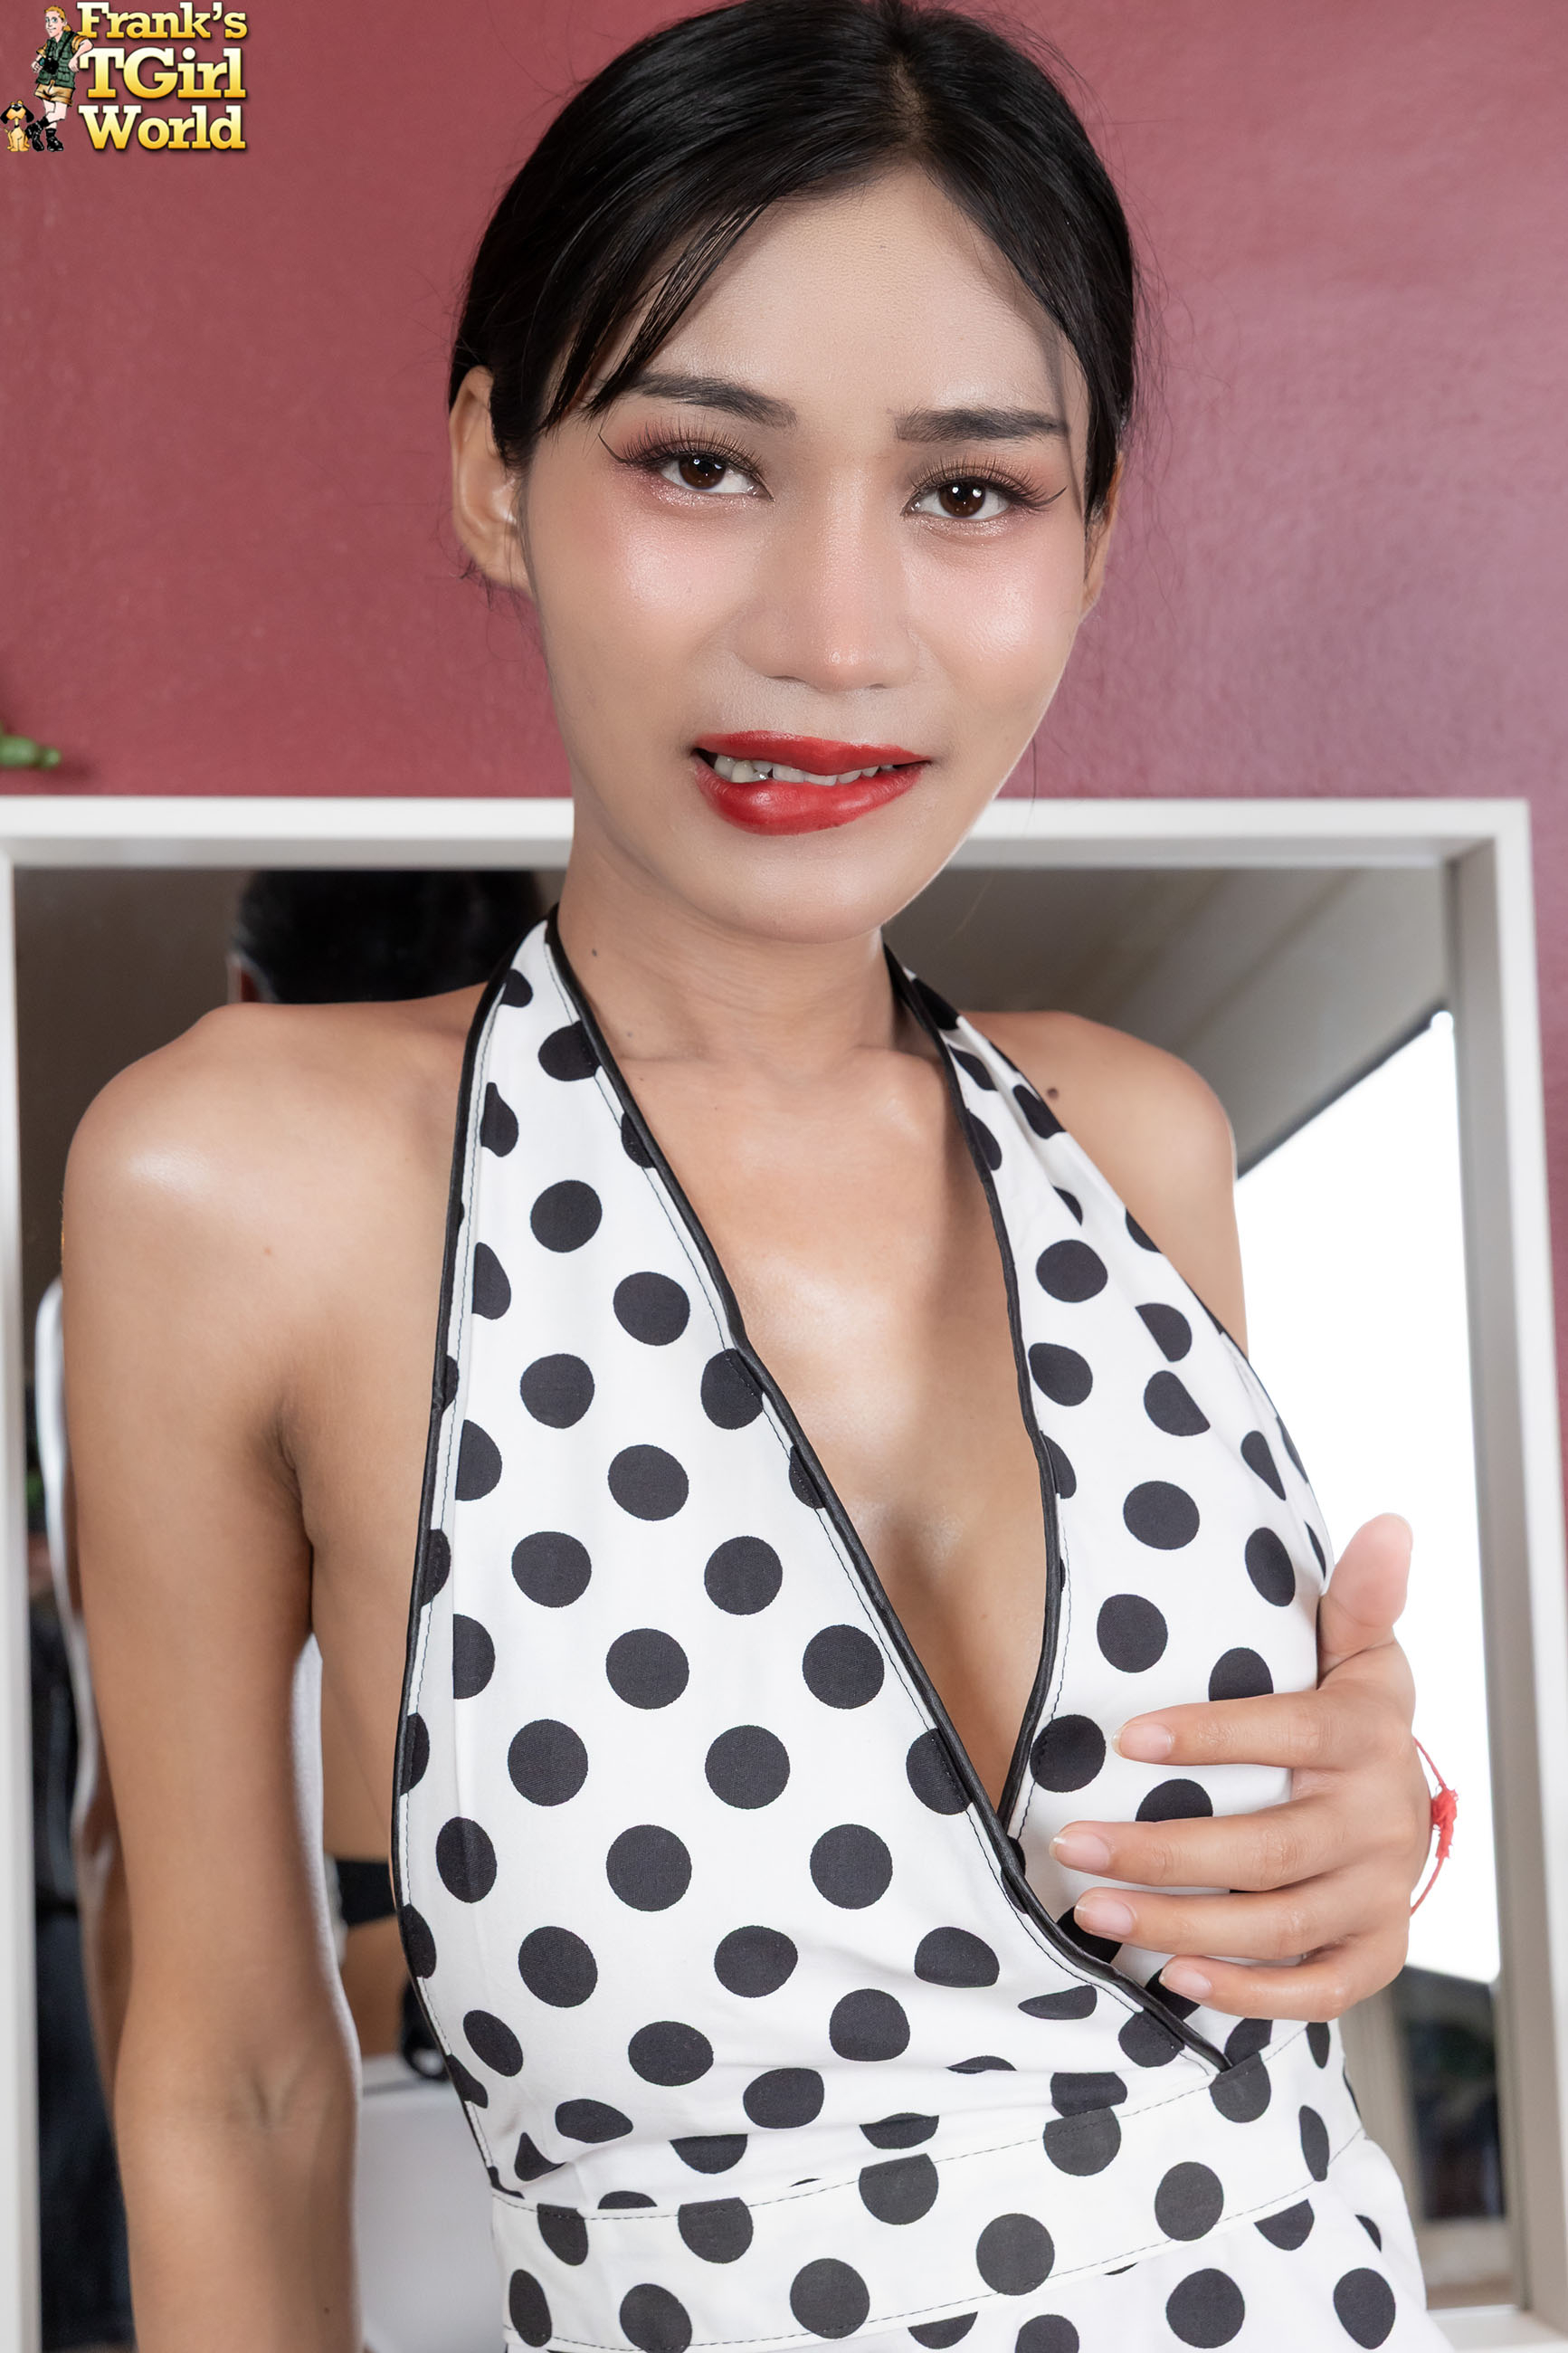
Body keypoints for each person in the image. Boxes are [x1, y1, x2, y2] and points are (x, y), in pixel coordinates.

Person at [62, 5, 1442, 2347]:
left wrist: (1366, 1839)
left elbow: (1261, 1966)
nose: (832, 635)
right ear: (495, 473)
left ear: (1093, 543)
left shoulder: (1140, 1141)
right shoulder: (246, 1185)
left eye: (969, 493)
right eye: (703, 463)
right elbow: (235, 2087)